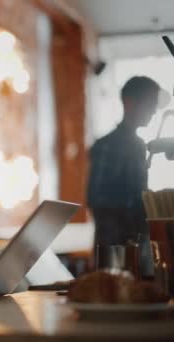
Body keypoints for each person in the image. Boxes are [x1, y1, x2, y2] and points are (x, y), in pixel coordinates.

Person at [87, 76, 161, 277]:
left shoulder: (138, 145)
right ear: (130, 102)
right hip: (114, 251)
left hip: (137, 248)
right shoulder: (106, 146)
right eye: (150, 103)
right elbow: (96, 199)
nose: (154, 110)